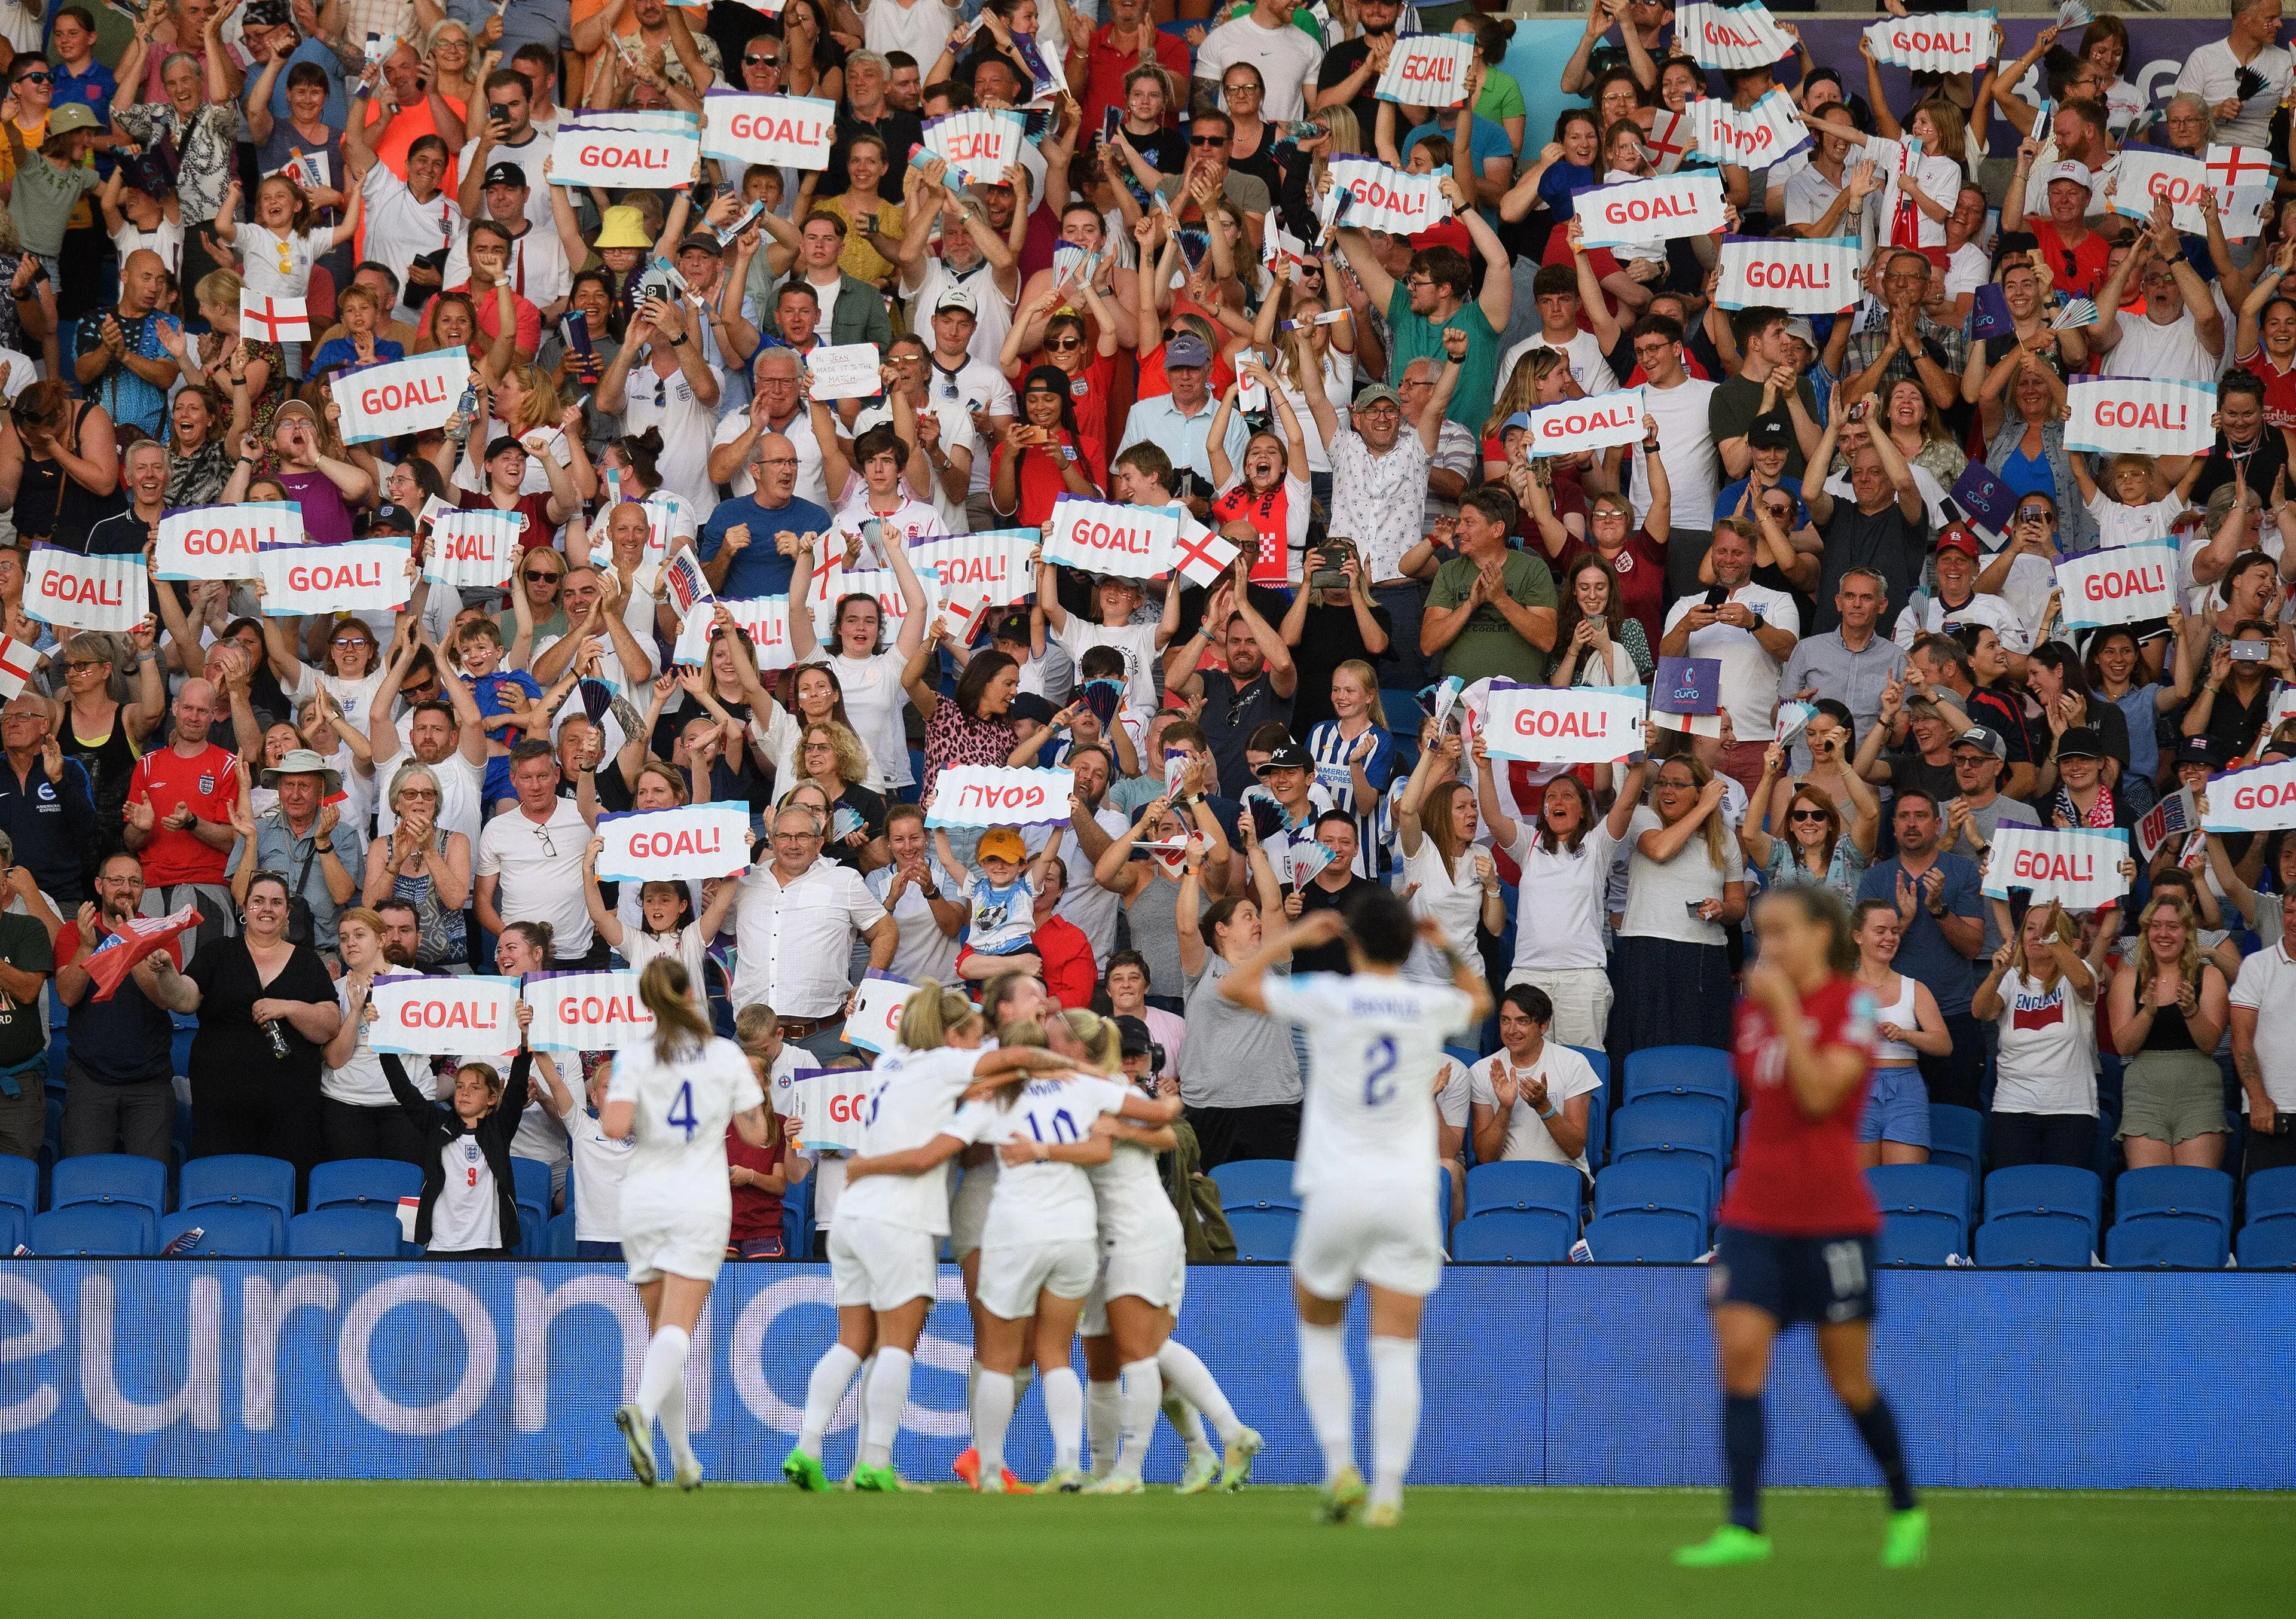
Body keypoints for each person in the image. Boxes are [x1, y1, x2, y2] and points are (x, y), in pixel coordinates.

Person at [1675, 885, 1925, 1571]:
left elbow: (1818, 1095)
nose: (1770, 946)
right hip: (1755, 1212)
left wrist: (1786, 1009)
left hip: (1833, 1218)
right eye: (1763, 933)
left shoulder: (1854, 1006)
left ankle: (1905, 1503)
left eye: (1782, 930)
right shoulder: (1751, 1012)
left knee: (1848, 1379)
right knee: (1740, 1354)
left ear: (1821, 933)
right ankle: (1744, 1525)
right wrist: (1777, 1008)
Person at [1225, 884, 1488, 1527]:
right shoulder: (1427, 1002)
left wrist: (1293, 935)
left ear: (1349, 940)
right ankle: (1388, 1493)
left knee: (1320, 1329)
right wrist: (1447, 946)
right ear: (1408, 941)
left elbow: (1234, 986)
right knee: (1396, 1349)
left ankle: (1340, 1464)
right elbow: (1481, 1001)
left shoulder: (1329, 995)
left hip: (1337, 1187)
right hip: (1408, 1191)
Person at [786, 983, 1098, 1493]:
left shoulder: (893, 1062)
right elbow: (1016, 1058)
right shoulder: (944, 1064)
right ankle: (876, 1464)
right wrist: (1073, 1069)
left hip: (851, 1216)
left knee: (852, 1341)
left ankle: (809, 1448)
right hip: (903, 1219)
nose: (978, 1048)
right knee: (896, 1344)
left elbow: (948, 1092)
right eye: (973, 1037)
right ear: (954, 1036)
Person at [604, 958, 772, 1492]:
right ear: (693, 994)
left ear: (648, 1002)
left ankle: (683, 1461)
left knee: (661, 1334)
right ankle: (642, 1412)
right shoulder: (725, 1055)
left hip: (643, 1199)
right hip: (700, 1198)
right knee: (677, 1329)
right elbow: (758, 1133)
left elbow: (614, 1125)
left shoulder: (635, 1055)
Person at [161, 870, 342, 1199]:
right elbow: (184, 1000)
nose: (267, 909)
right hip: (221, 1100)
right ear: (244, 908)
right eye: (258, 901)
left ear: (288, 912)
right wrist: (166, 974)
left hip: (290, 1106)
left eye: (276, 902)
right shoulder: (217, 952)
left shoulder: (306, 961)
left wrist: (288, 1007)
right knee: (220, 1185)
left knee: (284, 1190)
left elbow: (329, 1025)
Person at [1481, 738, 1644, 1050]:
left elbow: (1625, 805)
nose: (1558, 801)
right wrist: (1484, 768)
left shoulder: (1597, 845)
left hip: (1583, 977)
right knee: (1526, 1067)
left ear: (1583, 810)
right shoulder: (1528, 843)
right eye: (1551, 796)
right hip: (1529, 974)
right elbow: (1492, 817)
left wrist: (1639, 761)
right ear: (1544, 810)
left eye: (1568, 796)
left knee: (1579, 1067)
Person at [728, 804, 896, 1061]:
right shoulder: (745, 883)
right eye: (785, 836)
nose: (793, 844)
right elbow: (719, 933)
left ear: (819, 843)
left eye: (803, 836)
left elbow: (886, 930)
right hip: (754, 1040)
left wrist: (868, 985)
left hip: (825, 1037)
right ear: (772, 840)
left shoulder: (844, 880)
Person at [1177, 816, 1298, 1168]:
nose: (1258, 922)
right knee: (1210, 1194)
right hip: (1210, 1106)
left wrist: (1254, 849)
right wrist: (1192, 869)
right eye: (1247, 916)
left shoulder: (1275, 965)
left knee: (1275, 1195)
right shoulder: (1203, 969)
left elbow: (1273, 906)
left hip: (1274, 1101)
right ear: (1222, 929)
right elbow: (1186, 929)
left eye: (1256, 917)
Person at [1854, 790, 1985, 1111]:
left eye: (1921, 816)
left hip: (1954, 1013)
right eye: (1904, 816)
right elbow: (1866, 948)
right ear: (1894, 827)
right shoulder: (1875, 878)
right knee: (1887, 1118)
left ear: (1938, 825)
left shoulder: (1963, 871)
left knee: (1956, 1119)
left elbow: (1972, 947)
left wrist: (1938, 908)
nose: (1911, 824)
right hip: (1890, 1019)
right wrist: (1905, 920)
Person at [1611, 752, 1746, 1059]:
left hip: (1704, 954)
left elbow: (1739, 904)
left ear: (1699, 791)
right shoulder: (1644, 818)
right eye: (1662, 783)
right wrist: (1704, 808)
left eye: (1679, 784)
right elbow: (1661, 850)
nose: (1667, 791)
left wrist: (1723, 909)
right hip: (1648, 949)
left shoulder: (1725, 838)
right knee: (1648, 1048)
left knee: (1701, 1049)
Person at [379, 1007, 535, 1257]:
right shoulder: (436, 1124)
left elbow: (516, 1087)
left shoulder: (499, 1129)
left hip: (490, 1244)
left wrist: (525, 1039)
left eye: (475, 1088)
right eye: (460, 1086)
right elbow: (405, 1091)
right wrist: (383, 1043)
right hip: (442, 1245)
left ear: (492, 1098)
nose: (464, 1092)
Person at [52, 851, 174, 1161]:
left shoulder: (162, 932)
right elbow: (67, 996)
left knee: (149, 1178)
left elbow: (162, 999)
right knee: (83, 1177)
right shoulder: (74, 932)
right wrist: (87, 947)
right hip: (90, 1079)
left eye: (134, 882)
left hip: (150, 1079)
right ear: (99, 885)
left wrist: (133, 941)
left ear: (144, 888)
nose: (126, 889)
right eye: (116, 880)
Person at [1972, 900, 2101, 1172]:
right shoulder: (2010, 979)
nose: (2036, 935)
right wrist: (1995, 976)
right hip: (2013, 1106)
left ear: (2063, 939)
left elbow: (2084, 984)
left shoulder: (2079, 973)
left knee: (2065, 1192)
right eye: (2030, 929)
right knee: (2013, 1190)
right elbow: (1982, 1012)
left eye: (2047, 929)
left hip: (2071, 1108)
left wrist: (2053, 941)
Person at [2108, 893, 2231, 1172]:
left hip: (2198, 1094)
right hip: (2145, 1095)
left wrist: (2191, 1011)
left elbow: (2211, 1043)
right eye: (2156, 926)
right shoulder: (2128, 977)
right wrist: (2148, 1012)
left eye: (2173, 926)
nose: (2163, 934)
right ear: (2146, 931)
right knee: (2151, 1188)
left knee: (2196, 1188)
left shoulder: (2210, 976)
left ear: (2187, 932)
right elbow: (2123, 1046)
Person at [475, 741, 597, 967]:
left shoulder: (583, 814)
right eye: (526, 777)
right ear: (513, 779)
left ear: (557, 775)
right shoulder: (496, 829)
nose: (535, 786)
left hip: (574, 955)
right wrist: (518, 943)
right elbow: (482, 902)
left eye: (542, 776)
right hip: (517, 959)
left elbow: (622, 840)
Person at [1847, 899, 1947, 1170]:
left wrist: (1905, 1035)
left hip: (1906, 1090)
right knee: (1861, 1188)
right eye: (1880, 931)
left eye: (1894, 931)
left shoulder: (1915, 988)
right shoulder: (1839, 987)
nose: (1889, 938)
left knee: (1906, 1184)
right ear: (1858, 936)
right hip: (1854, 1087)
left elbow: (1944, 1044)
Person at [1469, 983, 1600, 1182]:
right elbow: (1486, 1158)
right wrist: (1505, 1108)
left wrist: (1544, 1107)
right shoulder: (1482, 1070)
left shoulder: (1573, 1063)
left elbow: (1575, 1148)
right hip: (1505, 1176)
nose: (1512, 1030)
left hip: (1562, 1174)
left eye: (1523, 1021)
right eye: (1505, 1020)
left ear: (1544, 1026)